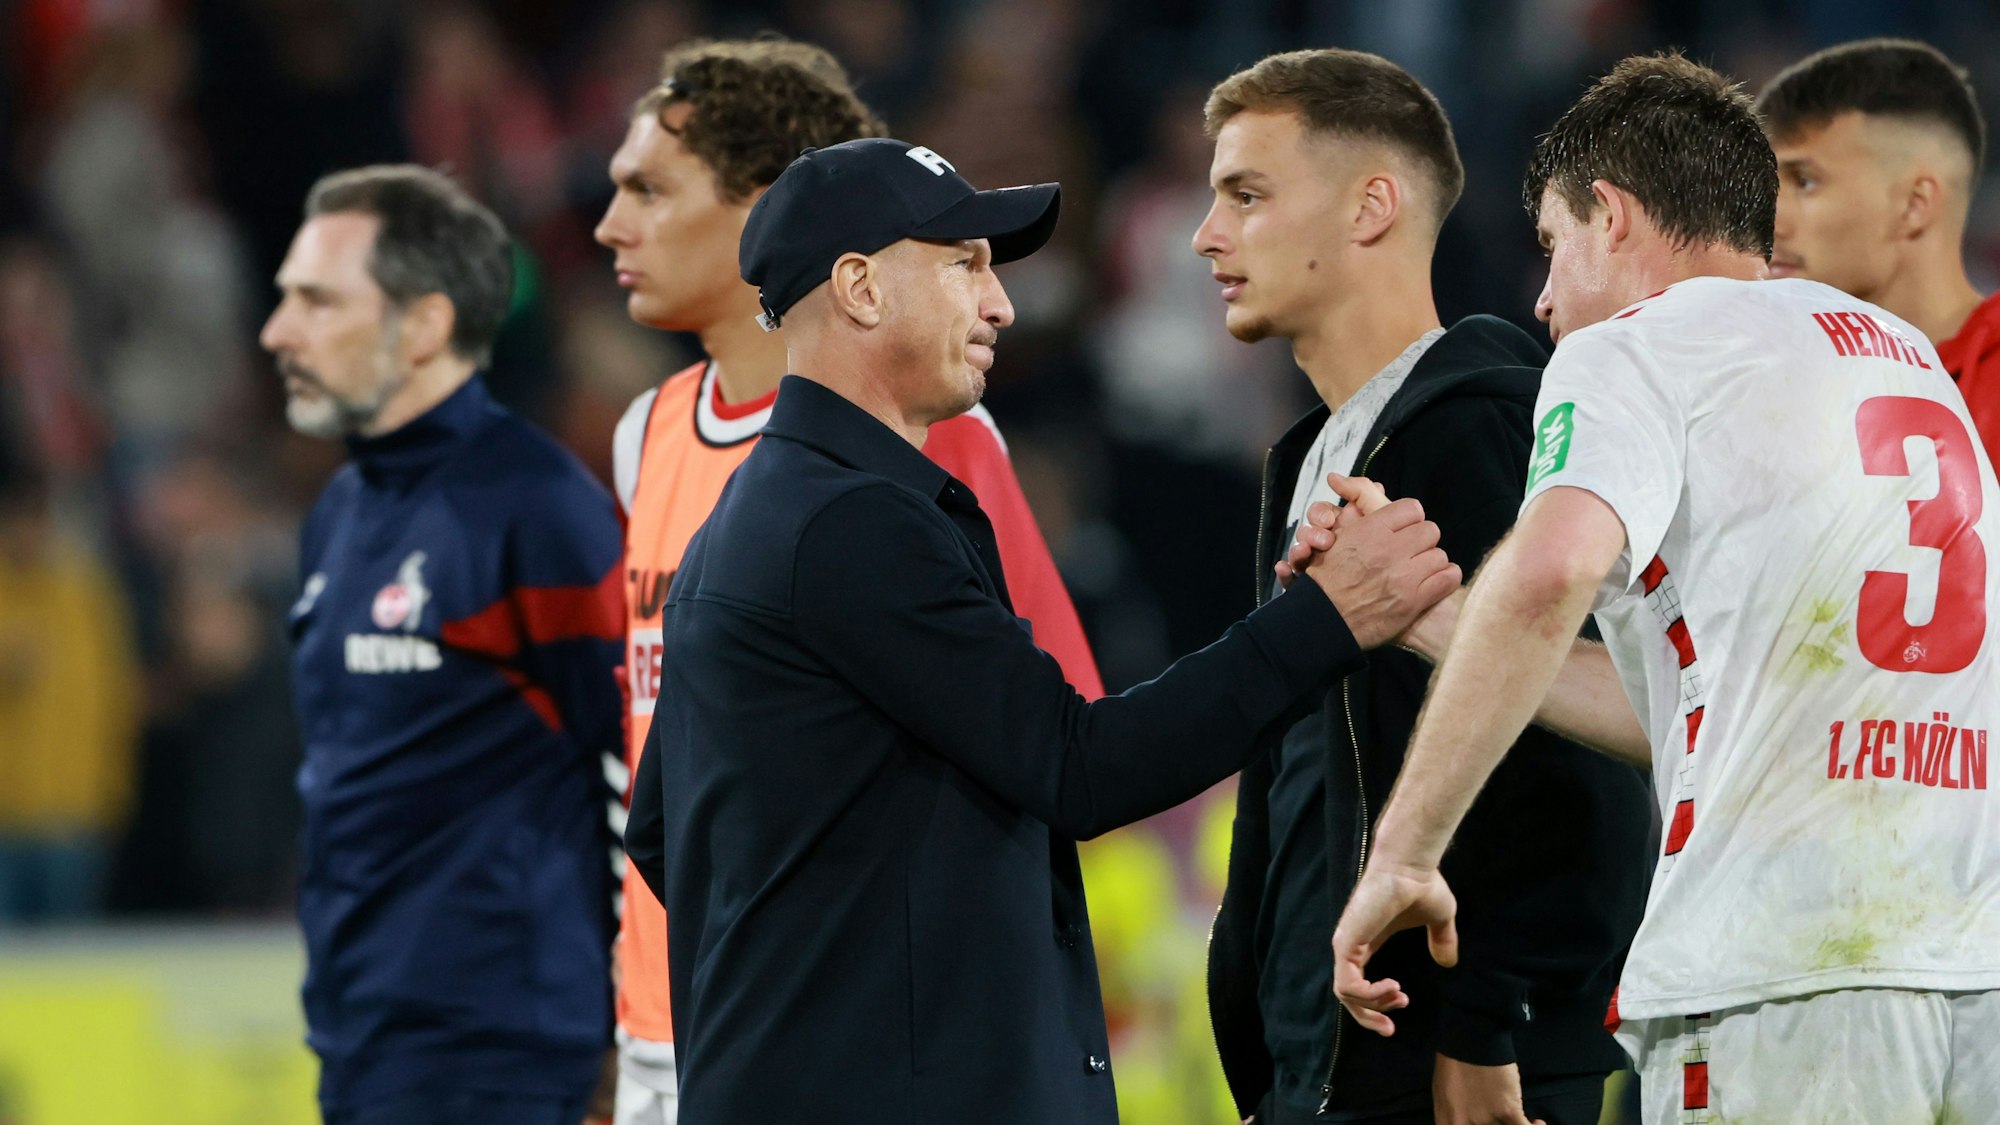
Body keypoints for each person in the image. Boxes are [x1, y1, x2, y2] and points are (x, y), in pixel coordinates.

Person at [622, 137, 1461, 1124]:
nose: (1000, 305)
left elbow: (662, 834)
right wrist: (1326, 619)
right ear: (857, 287)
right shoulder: (845, 523)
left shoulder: (761, 513)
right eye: (963, 265)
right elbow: (1079, 766)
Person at [1329, 54, 2000, 1124]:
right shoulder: (1903, 358)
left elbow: (1550, 569)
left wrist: (1402, 852)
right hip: (1965, 967)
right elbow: (1701, 706)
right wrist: (1430, 619)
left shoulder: (1636, 350)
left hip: (1777, 974)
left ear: (1612, 214)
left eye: (1552, 247)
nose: (1544, 299)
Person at [592, 38, 1104, 1125]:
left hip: (844, 1037)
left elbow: (1059, 723)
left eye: (648, 187)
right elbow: (653, 764)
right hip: (679, 1013)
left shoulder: (935, 433)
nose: (611, 225)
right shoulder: (647, 435)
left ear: (762, 210)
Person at [1193, 48, 1649, 1125]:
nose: (1205, 236)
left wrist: (1492, 1026)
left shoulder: (1483, 423)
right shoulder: (1313, 456)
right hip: (1335, 1065)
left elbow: (1566, 759)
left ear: (1370, 208)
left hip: (1452, 1072)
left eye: (1245, 196)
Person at [263, 165, 622, 1125]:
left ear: (422, 326)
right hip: (366, 1041)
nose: (278, 331)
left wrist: (626, 1025)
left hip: (509, 1052)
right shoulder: (337, 511)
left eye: (316, 300)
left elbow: (646, 766)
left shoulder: (538, 509)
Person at [1758, 39, 2000, 459]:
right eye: (1767, 187)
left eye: (1805, 182)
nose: (1770, 221)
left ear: (1914, 205)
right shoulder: (1764, 389)